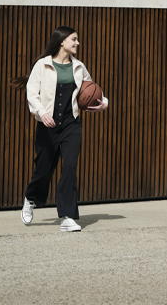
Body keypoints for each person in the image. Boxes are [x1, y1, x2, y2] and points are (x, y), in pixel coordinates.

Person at [11, 26, 108, 231]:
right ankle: (31, 199)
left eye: (77, 39)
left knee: (70, 167)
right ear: (62, 41)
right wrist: (42, 113)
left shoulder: (79, 67)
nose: (77, 43)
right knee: (43, 170)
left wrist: (104, 103)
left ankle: (68, 217)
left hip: (72, 124)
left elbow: (92, 90)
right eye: (74, 39)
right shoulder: (42, 65)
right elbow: (31, 94)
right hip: (48, 125)